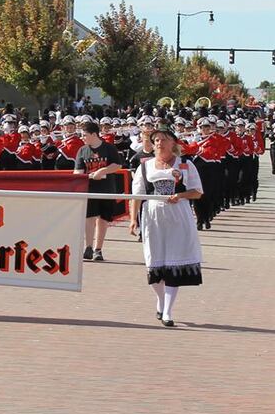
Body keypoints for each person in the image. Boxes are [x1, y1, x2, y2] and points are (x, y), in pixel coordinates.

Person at [130, 127, 203, 327]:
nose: (159, 143)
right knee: (154, 263)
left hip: (178, 216)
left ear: (173, 143)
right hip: (153, 217)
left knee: (173, 262)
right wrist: (132, 219)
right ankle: (161, 300)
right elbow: (136, 195)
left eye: (163, 139)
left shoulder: (186, 164)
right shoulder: (145, 166)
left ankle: (168, 311)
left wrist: (179, 195)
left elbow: (197, 192)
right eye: (156, 141)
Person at [74, 121, 125, 262]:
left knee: (103, 219)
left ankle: (98, 249)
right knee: (88, 218)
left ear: (94, 134)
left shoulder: (109, 148)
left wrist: (103, 170)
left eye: (85, 135)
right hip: (89, 189)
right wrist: (87, 175)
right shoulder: (82, 150)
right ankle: (88, 247)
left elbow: (117, 165)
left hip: (106, 189)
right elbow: (77, 171)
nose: (83, 137)